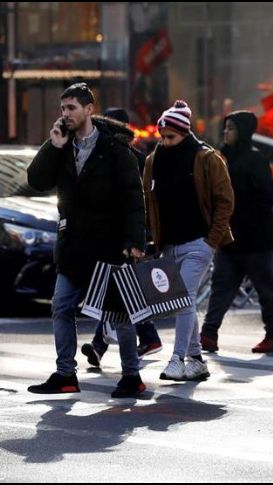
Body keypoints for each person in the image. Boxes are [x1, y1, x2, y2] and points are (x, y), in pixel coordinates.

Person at [26, 83, 147, 398]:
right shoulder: (62, 144)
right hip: (72, 245)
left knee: (118, 312)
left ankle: (132, 377)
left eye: (71, 108)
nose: (65, 114)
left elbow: (133, 198)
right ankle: (66, 373)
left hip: (108, 245)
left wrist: (134, 240)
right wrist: (52, 146)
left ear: (89, 109)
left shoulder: (115, 149)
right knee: (61, 306)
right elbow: (36, 180)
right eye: (63, 108)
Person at [143, 100, 234, 382]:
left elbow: (224, 201)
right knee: (184, 301)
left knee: (183, 297)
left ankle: (177, 358)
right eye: (162, 137)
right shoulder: (153, 161)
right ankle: (195, 359)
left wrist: (211, 241)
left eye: (171, 136)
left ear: (185, 132)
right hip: (169, 244)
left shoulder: (206, 158)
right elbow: (148, 201)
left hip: (198, 242)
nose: (166, 142)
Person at [80, 107, 163, 368]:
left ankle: (103, 346)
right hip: (116, 236)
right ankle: (142, 338)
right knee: (121, 291)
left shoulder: (135, 159)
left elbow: (140, 201)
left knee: (118, 291)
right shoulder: (117, 156)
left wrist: (139, 238)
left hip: (127, 238)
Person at [198, 111, 273, 353]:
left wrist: (238, 209)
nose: (225, 133)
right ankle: (208, 333)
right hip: (230, 238)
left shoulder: (255, 159)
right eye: (225, 128)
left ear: (243, 132)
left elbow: (266, 197)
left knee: (264, 286)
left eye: (231, 128)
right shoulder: (224, 158)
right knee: (221, 285)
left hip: (255, 238)